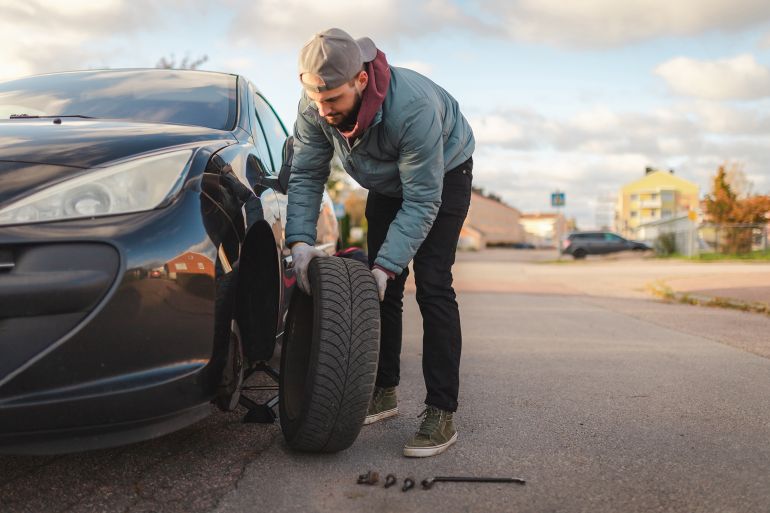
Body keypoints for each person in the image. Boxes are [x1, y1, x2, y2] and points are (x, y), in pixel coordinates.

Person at [286, 28, 474, 457]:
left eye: (332, 99)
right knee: (379, 287)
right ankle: (384, 390)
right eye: (315, 97)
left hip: (443, 174)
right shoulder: (314, 106)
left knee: (431, 283)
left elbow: (424, 199)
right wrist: (299, 240)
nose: (322, 109)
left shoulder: (412, 110)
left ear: (361, 81)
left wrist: (389, 264)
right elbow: (307, 173)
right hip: (385, 182)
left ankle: (441, 411)